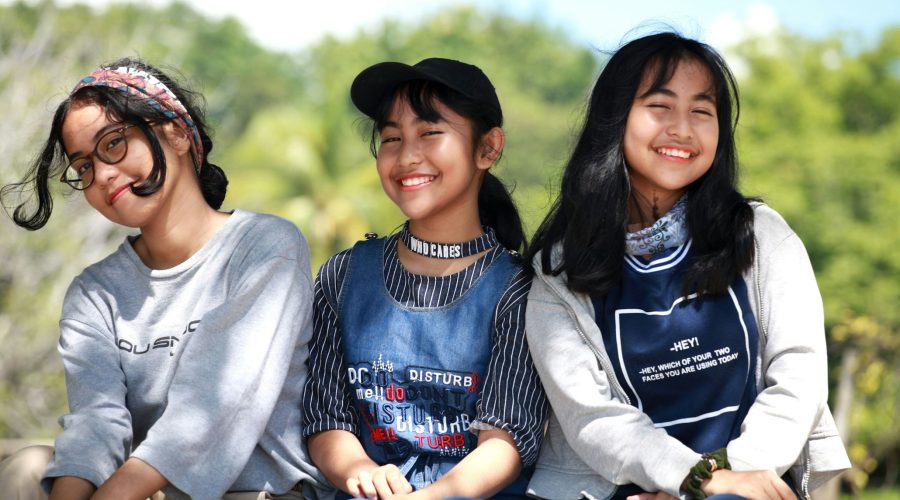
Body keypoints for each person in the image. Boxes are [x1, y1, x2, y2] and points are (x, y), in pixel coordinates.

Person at [523, 32, 850, 500]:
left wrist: (714, 481)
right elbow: (591, 416)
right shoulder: (560, 272)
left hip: (747, 487)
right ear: (615, 117)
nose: (682, 128)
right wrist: (687, 478)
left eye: (701, 111)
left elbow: (799, 375)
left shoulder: (761, 236)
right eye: (660, 106)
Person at [0, 58, 327, 500]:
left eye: (114, 143)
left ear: (176, 133)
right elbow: (97, 424)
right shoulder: (94, 293)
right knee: (27, 469)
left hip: (256, 494)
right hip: (146, 492)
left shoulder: (265, 246)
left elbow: (213, 406)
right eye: (83, 167)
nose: (102, 175)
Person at [301, 58, 548, 499]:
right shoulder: (343, 275)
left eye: (430, 133)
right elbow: (325, 419)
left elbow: (506, 440)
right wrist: (359, 470)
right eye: (392, 138)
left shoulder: (519, 289)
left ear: (488, 148)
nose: (407, 156)